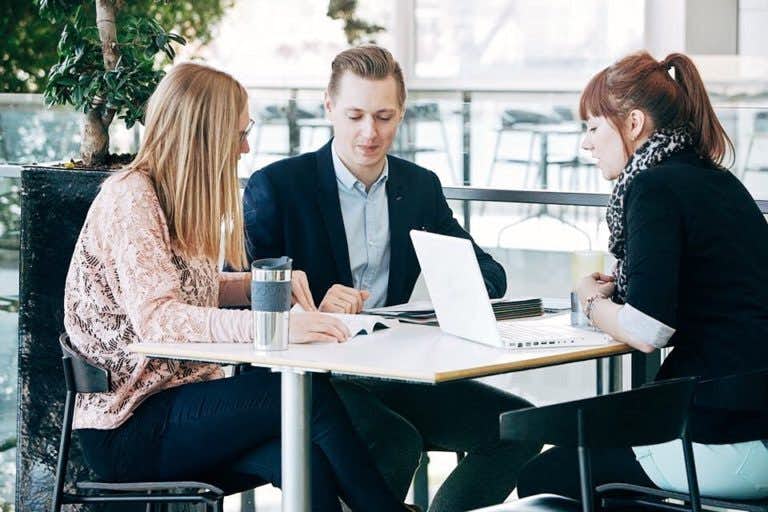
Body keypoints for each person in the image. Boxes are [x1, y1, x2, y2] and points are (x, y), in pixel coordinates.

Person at [63, 62, 417, 512]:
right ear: (203, 135)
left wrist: (257, 286)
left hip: (174, 409)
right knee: (306, 398)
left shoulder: (170, 197)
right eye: (238, 133)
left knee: (302, 456)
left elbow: (188, 289)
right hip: (127, 426)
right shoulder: (131, 197)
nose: (246, 147)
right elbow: (160, 319)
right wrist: (275, 328)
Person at [243, 45, 541, 512]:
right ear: (329, 107)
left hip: (394, 368)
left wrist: (450, 290)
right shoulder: (279, 186)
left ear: (401, 113)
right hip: (313, 378)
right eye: (355, 115)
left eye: (384, 116)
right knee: (395, 442)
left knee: (519, 425)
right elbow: (244, 291)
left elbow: (490, 275)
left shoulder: (417, 187)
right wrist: (310, 305)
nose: (369, 132)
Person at [517, 51, 768, 500]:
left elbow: (648, 329)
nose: (586, 145)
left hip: (721, 439)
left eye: (593, 127)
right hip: (753, 420)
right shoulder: (717, 180)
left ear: (633, 124)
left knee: (544, 476)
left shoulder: (651, 188)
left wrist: (592, 303)